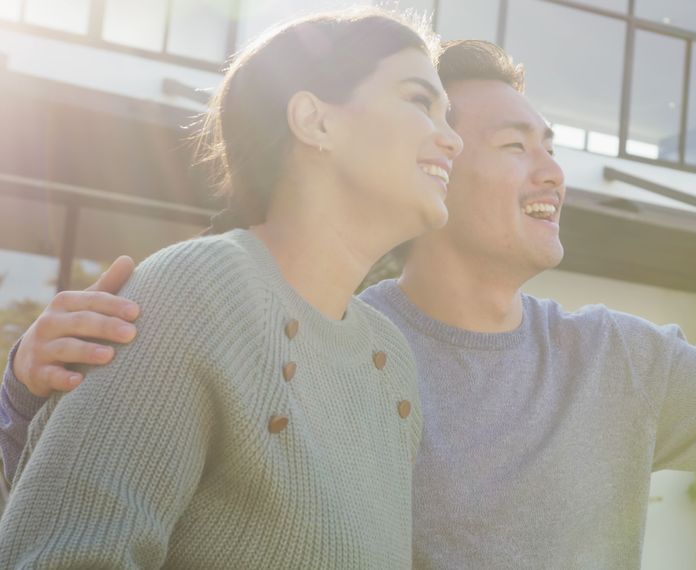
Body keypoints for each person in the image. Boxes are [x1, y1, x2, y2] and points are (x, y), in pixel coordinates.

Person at [2, 40, 696, 568]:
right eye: (514, 145)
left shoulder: (615, 362)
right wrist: (23, 401)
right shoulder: (327, 340)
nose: (552, 170)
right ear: (438, 160)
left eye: (553, 145)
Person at [0, 8, 462, 568]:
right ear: (315, 121)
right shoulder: (192, 292)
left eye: (449, 115)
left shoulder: (391, 363)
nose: (453, 140)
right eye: (420, 102)